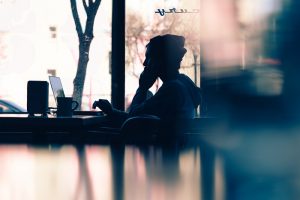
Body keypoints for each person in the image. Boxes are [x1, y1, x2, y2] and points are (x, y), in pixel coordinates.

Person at [93, 34, 202, 127]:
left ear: (161, 60)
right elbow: (138, 116)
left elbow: (133, 119)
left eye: (149, 57)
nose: (145, 63)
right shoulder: (183, 82)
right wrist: (112, 111)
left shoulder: (172, 89)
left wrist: (142, 88)